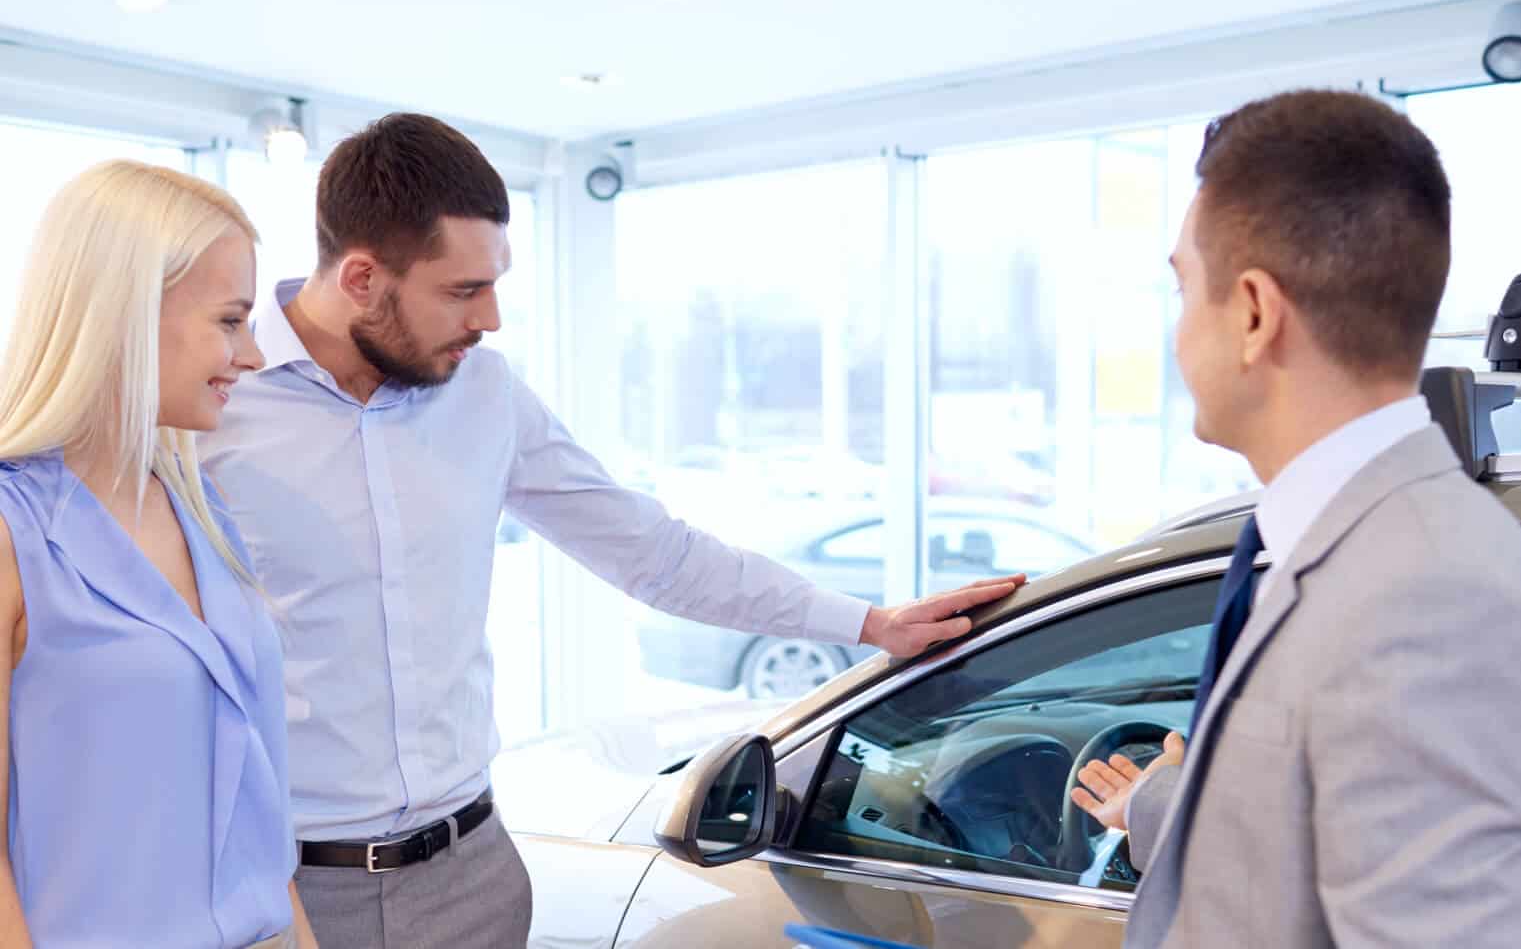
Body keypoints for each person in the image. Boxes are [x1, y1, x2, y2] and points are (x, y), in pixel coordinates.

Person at [197, 113, 1022, 949]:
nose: (490, 319)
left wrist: (867, 624)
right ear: (364, 278)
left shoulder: (484, 394)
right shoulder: (207, 409)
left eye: (494, 283)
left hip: (471, 875)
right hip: (284, 885)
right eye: (461, 291)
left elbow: (651, 553)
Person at [1069, 89, 1521, 948]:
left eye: (1182, 289)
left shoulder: (1425, 595)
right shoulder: (1329, 547)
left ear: (1249, 313)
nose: (1176, 335)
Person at [0, 162, 316, 947]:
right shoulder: (14, 535)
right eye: (231, 320)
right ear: (129, 313)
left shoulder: (202, 515)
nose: (251, 354)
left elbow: (258, 830)